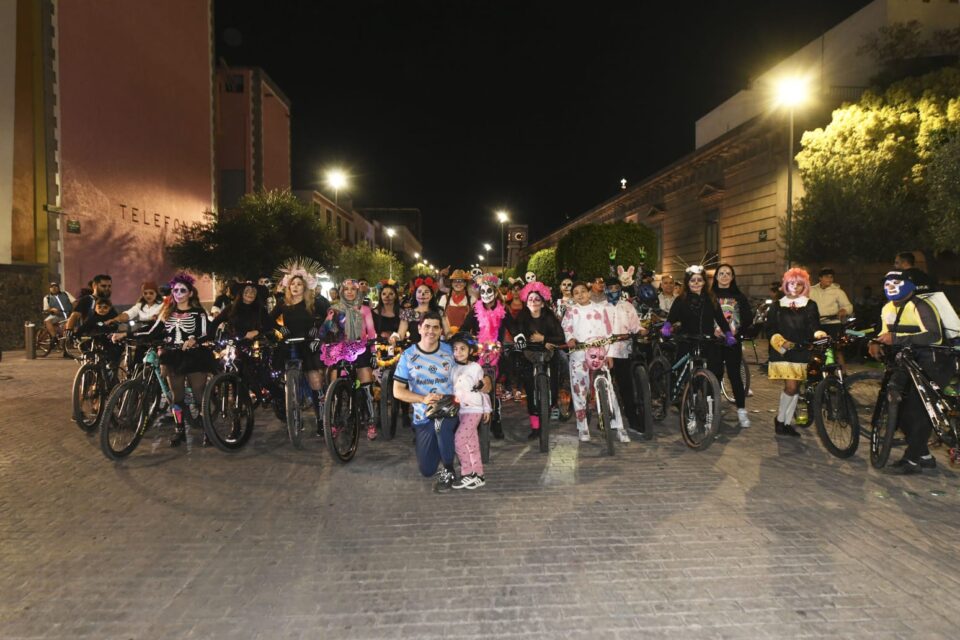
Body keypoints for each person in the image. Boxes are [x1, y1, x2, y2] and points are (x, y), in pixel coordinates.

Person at [869, 270, 949, 474]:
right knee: (899, 408)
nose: (890, 287)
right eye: (887, 283)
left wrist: (896, 338)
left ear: (908, 285)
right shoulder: (888, 307)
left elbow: (934, 335)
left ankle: (912, 460)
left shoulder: (920, 305)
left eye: (896, 282)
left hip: (932, 361)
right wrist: (876, 341)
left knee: (917, 410)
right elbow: (885, 331)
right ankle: (923, 454)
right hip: (906, 361)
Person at [141, 273, 216, 447]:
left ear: (190, 293)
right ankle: (179, 429)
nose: (179, 293)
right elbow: (152, 331)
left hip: (195, 357)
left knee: (199, 395)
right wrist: (126, 334)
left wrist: (194, 340)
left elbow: (207, 333)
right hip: (173, 356)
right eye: (176, 290)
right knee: (176, 397)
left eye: (183, 290)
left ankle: (208, 430)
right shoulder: (167, 312)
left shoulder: (198, 313)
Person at [662, 266, 736, 431]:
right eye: (692, 280)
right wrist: (667, 327)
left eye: (699, 280)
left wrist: (728, 334)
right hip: (687, 341)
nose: (696, 283)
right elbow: (671, 317)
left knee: (712, 376)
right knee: (688, 380)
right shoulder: (681, 299)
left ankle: (710, 412)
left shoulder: (711, 298)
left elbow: (721, 319)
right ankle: (688, 413)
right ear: (687, 282)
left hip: (707, 342)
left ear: (704, 282)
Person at [392, 312, 458, 492]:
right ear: (419, 328)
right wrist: (423, 399)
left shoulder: (450, 351)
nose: (431, 331)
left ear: (440, 331)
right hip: (423, 416)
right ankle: (444, 447)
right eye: (427, 326)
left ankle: (449, 470)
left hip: (450, 409)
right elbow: (397, 391)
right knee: (427, 470)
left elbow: (471, 368)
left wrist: (485, 381)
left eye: (436, 327)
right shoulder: (408, 355)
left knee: (442, 425)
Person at [270, 262, 329, 431]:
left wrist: (316, 328)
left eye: (299, 284)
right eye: (292, 284)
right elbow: (268, 319)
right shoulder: (283, 303)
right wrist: (280, 328)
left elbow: (328, 317)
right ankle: (292, 415)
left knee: (315, 381)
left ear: (305, 287)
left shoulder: (314, 303)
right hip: (289, 345)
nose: (295, 287)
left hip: (308, 345)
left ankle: (321, 420)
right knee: (287, 383)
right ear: (288, 287)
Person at [562, 281, 623, 442]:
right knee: (579, 391)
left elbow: (609, 332)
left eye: (583, 291)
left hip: (599, 353)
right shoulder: (571, 311)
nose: (580, 294)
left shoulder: (601, 309)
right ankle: (582, 428)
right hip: (579, 354)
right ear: (573, 296)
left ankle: (618, 426)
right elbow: (567, 328)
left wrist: (610, 354)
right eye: (576, 292)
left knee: (609, 389)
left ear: (589, 293)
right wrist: (571, 338)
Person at [765, 268, 821, 438]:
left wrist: (819, 334)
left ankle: (785, 422)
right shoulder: (776, 306)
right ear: (785, 284)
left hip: (802, 349)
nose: (795, 287)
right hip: (782, 351)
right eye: (791, 283)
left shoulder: (810, 304)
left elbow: (814, 326)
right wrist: (782, 343)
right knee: (791, 386)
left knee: (795, 387)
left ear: (804, 285)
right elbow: (770, 329)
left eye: (799, 284)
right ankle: (781, 421)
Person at [320, 279, 379, 440]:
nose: (350, 292)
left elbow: (371, 332)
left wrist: (373, 352)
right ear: (341, 292)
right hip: (340, 349)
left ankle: (371, 421)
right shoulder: (334, 309)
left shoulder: (364, 309)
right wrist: (328, 321)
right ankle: (334, 422)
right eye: (346, 289)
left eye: (353, 289)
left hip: (361, 348)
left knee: (367, 386)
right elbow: (326, 331)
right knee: (335, 388)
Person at [511, 281, 566, 440]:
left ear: (542, 302)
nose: (534, 302)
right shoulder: (522, 317)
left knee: (553, 389)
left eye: (537, 299)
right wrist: (519, 340)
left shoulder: (549, 316)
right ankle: (535, 427)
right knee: (530, 388)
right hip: (529, 356)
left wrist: (544, 338)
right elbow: (516, 333)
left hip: (549, 354)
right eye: (530, 300)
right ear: (526, 302)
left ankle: (551, 407)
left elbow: (560, 337)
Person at [459, 273, 510, 439]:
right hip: (479, 352)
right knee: (474, 383)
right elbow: (465, 328)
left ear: (495, 292)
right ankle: (475, 418)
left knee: (496, 389)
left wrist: (519, 337)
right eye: (483, 291)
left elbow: (514, 328)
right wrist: (464, 338)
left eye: (489, 291)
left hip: (498, 353)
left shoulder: (503, 310)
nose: (486, 294)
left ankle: (497, 422)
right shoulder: (475, 310)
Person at [711, 264, 753, 428]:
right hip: (714, 342)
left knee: (735, 376)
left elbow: (748, 317)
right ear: (716, 277)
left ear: (733, 277)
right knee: (715, 374)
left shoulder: (739, 296)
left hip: (732, 342)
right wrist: (712, 330)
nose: (724, 276)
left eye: (728, 273)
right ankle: (712, 409)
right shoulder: (710, 296)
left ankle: (741, 411)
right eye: (721, 273)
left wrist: (737, 331)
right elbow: (705, 316)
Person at [604, 277, 646, 438]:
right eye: (610, 288)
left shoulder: (628, 307)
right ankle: (606, 416)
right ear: (606, 290)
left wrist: (642, 330)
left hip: (624, 351)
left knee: (626, 387)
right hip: (605, 351)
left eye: (617, 287)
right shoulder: (600, 308)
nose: (614, 291)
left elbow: (635, 326)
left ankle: (632, 418)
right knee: (605, 386)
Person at [448, 333, 490, 490]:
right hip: (462, 410)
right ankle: (478, 475)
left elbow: (483, 390)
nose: (458, 352)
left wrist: (487, 408)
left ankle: (467, 473)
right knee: (471, 443)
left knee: (458, 440)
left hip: (474, 410)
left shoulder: (475, 368)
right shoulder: (453, 368)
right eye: (456, 349)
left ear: (470, 350)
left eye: (462, 349)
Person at [809, 268, 853, 370]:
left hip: (833, 323)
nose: (829, 279)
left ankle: (843, 374)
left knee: (836, 349)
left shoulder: (838, 291)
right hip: (816, 324)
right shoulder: (811, 290)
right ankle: (813, 373)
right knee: (814, 348)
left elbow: (848, 306)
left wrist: (843, 311)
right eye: (826, 276)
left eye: (831, 277)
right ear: (820, 278)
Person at [393, 276, 448, 345]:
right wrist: (394, 338)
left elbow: (447, 332)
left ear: (431, 296)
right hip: (413, 351)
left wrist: (452, 336)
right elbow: (400, 335)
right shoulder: (407, 313)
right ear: (415, 295)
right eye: (419, 291)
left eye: (426, 292)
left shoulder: (439, 311)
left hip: (435, 351)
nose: (422, 294)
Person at [438, 269, 474, 335]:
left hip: (464, 337)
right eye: (455, 281)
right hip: (446, 336)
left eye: (461, 281)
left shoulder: (472, 299)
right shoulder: (444, 298)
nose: (458, 283)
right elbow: (439, 318)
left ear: (465, 284)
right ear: (451, 283)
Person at [42, 282, 75, 346]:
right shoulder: (47, 298)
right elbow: (46, 309)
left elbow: (74, 302)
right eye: (52, 287)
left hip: (68, 315)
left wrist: (74, 311)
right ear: (49, 289)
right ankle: (54, 337)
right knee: (47, 321)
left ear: (59, 288)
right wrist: (52, 309)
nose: (54, 288)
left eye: (55, 286)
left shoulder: (65, 294)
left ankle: (65, 351)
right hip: (56, 316)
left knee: (65, 333)